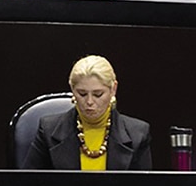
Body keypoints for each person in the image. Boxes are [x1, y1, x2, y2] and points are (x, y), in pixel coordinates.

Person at [22, 55, 151, 170]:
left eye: (98, 94)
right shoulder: (48, 130)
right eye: (82, 94)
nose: (89, 101)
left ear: (113, 89)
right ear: (72, 89)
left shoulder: (138, 134)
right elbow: (28, 185)